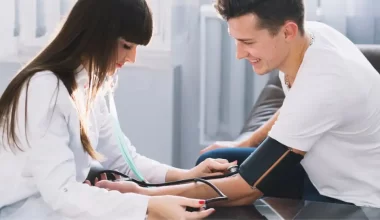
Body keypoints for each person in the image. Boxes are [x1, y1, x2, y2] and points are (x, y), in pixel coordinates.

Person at [94, 0, 380, 209]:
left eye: (247, 42)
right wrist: (244, 141)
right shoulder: (310, 36)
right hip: (320, 168)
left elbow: (247, 188)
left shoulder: (326, 81)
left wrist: (143, 194)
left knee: (227, 187)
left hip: (358, 200)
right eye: (236, 40)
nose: (238, 54)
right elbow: (296, 106)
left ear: (286, 31)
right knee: (217, 161)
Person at [0, 0, 237, 219]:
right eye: (126, 45)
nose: (132, 57)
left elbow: (126, 160)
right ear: (96, 35)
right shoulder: (44, 89)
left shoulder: (88, 86)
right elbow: (61, 192)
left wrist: (185, 175)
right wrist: (147, 206)